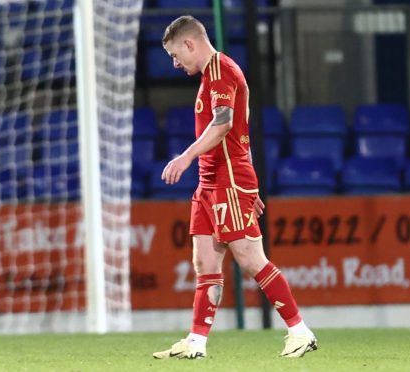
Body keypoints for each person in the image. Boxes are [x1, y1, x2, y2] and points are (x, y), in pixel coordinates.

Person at [152, 15, 317, 360]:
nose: (174, 63)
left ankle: (299, 331)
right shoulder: (210, 76)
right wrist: (250, 181)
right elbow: (242, 129)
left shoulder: (221, 71)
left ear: (189, 44)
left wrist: (185, 157)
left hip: (227, 180)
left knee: (249, 258)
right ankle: (196, 342)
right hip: (211, 181)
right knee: (204, 262)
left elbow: (224, 123)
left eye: (174, 55)